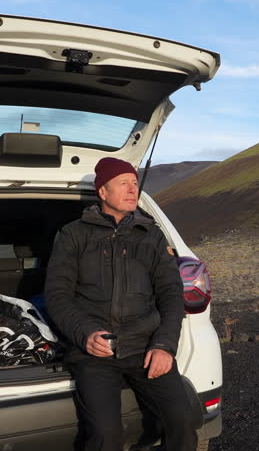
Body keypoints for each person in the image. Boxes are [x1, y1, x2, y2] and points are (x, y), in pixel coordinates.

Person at [44, 157, 197, 451]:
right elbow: (57, 295)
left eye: (135, 182)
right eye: (123, 183)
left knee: (184, 418)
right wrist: (85, 333)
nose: (133, 189)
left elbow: (171, 294)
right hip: (94, 353)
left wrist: (164, 345)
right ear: (103, 191)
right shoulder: (73, 234)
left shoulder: (151, 235)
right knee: (106, 435)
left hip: (146, 346)